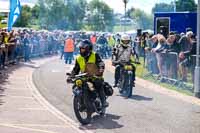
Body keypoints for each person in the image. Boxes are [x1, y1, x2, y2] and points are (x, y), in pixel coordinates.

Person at [68, 39, 108, 108]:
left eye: (83, 49)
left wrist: (101, 68)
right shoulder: (78, 58)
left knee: (99, 84)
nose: (81, 51)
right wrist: (71, 76)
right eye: (80, 49)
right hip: (83, 77)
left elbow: (100, 63)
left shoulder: (95, 55)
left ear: (88, 49)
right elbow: (76, 69)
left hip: (94, 76)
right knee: (75, 85)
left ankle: (103, 102)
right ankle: (81, 102)